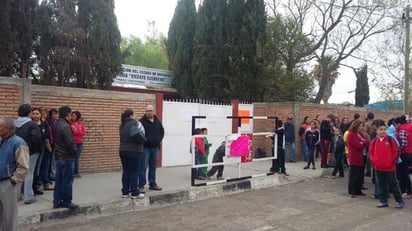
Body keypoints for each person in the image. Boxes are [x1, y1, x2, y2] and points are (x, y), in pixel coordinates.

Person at [0, 117, 29, 231]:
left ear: (7, 128)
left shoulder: (19, 143)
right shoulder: (1, 140)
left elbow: (23, 166)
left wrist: (14, 180)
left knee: (9, 215)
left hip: (8, 183)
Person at [369, 120, 404, 208]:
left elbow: (396, 151)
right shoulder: (374, 141)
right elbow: (370, 152)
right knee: (381, 184)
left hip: (390, 167)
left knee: (394, 184)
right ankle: (383, 201)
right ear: (377, 131)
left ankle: (399, 201)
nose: (383, 131)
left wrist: (392, 162)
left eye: (384, 129)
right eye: (381, 129)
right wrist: (374, 161)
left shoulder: (390, 140)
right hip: (378, 167)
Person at [15, 104, 43, 204]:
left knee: (18, 172)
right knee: (29, 173)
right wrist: (37, 149)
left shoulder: (14, 123)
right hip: (30, 152)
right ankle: (28, 196)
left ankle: (17, 195)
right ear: (29, 113)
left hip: (17, 151)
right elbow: (36, 139)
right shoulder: (32, 125)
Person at [53, 106, 79, 210]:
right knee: (67, 180)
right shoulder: (65, 126)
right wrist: (75, 151)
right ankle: (67, 201)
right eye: (70, 114)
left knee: (59, 180)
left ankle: (57, 200)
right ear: (67, 115)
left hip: (59, 156)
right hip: (66, 157)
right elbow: (70, 143)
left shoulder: (57, 124)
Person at [119, 109, 145, 199]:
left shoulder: (122, 125)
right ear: (131, 115)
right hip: (135, 150)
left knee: (126, 171)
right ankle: (134, 192)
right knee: (134, 172)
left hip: (123, 150)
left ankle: (125, 192)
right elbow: (142, 134)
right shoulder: (136, 123)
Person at [139, 105, 165, 191]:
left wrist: (158, 140)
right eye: (147, 111)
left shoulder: (157, 122)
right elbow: (138, 134)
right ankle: (141, 185)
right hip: (145, 148)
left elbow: (162, 132)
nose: (148, 112)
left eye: (150, 111)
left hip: (155, 148)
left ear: (154, 111)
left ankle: (152, 183)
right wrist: (145, 141)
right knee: (143, 167)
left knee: (153, 167)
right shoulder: (141, 122)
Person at [31, 108, 53, 193]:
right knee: (32, 168)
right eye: (33, 114)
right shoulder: (30, 124)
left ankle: (36, 186)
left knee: (38, 167)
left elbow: (46, 136)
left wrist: (49, 148)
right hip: (32, 149)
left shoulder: (44, 124)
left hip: (41, 148)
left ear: (40, 115)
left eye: (37, 114)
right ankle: (31, 187)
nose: (35, 115)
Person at [346, 119, 369, 198]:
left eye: (362, 126)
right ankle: (352, 191)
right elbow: (358, 146)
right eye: (360, 126)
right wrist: (362, 143)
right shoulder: (351, 134)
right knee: (354, 175)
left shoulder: (361, 134)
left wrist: (362, 142)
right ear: (355, 126)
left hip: (362, 157)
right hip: (355, 157)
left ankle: (358, 190)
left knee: (360, 175)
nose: (361, 128)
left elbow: (367, 141)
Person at [394, 115, 412, 198]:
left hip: (405, 154)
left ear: (398, 124)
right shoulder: (409, 128)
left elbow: (403, 144)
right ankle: (405, 190)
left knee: (403, 174)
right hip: (410, 153)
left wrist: (397, 150)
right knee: (405, 173)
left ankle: (408, 191)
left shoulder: (402, 130)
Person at [70, 111, 86, 178]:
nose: (72, 117)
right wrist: (78, 133)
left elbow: (83, 132)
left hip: (79, 143)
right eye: (72, 115)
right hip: (72, 143)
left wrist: (77, 132)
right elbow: (71, 133)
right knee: (71, 158)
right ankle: (71, 173)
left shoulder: (80, 123)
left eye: (74, 116)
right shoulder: (70, 123)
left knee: (77, 158)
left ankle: (76, 172)